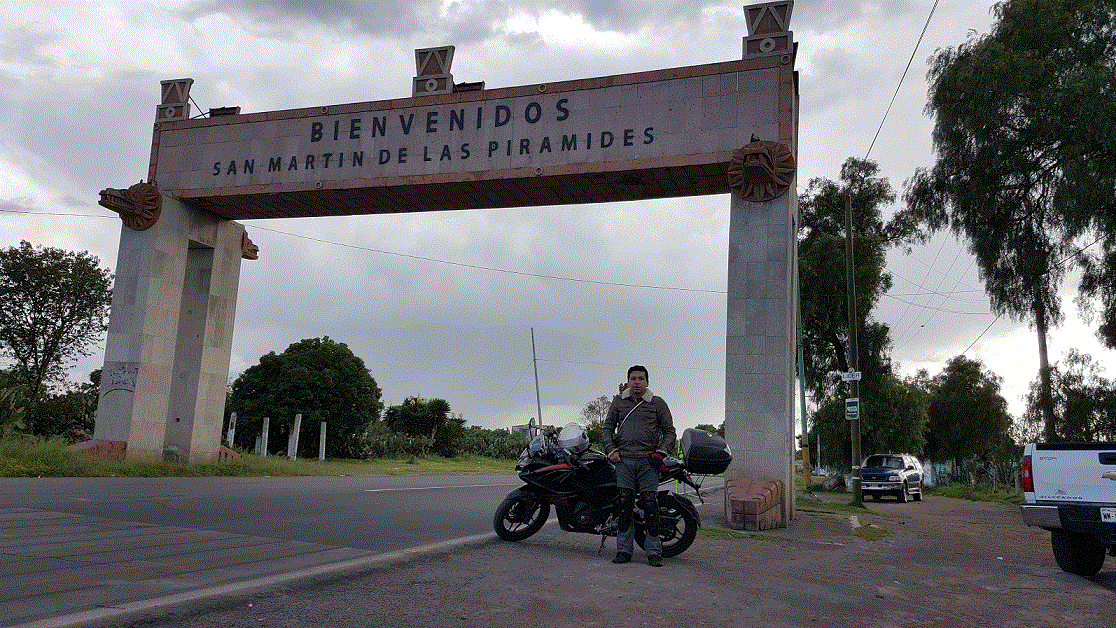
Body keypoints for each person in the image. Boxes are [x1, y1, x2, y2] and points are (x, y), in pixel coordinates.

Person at [602, 365, 676, 567]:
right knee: (624, 505)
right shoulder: (619, 402)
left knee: (650, 505)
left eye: (641, 378)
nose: (637, 382)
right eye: (633, 378)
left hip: (648, 462)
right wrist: (611, 450)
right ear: (628, 381)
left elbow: (670, 431)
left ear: (647, 382)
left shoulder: (657, 403)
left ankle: (653, 552)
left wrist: (660, 453)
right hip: (624, 461)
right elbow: (607, 428)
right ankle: (624, 550)